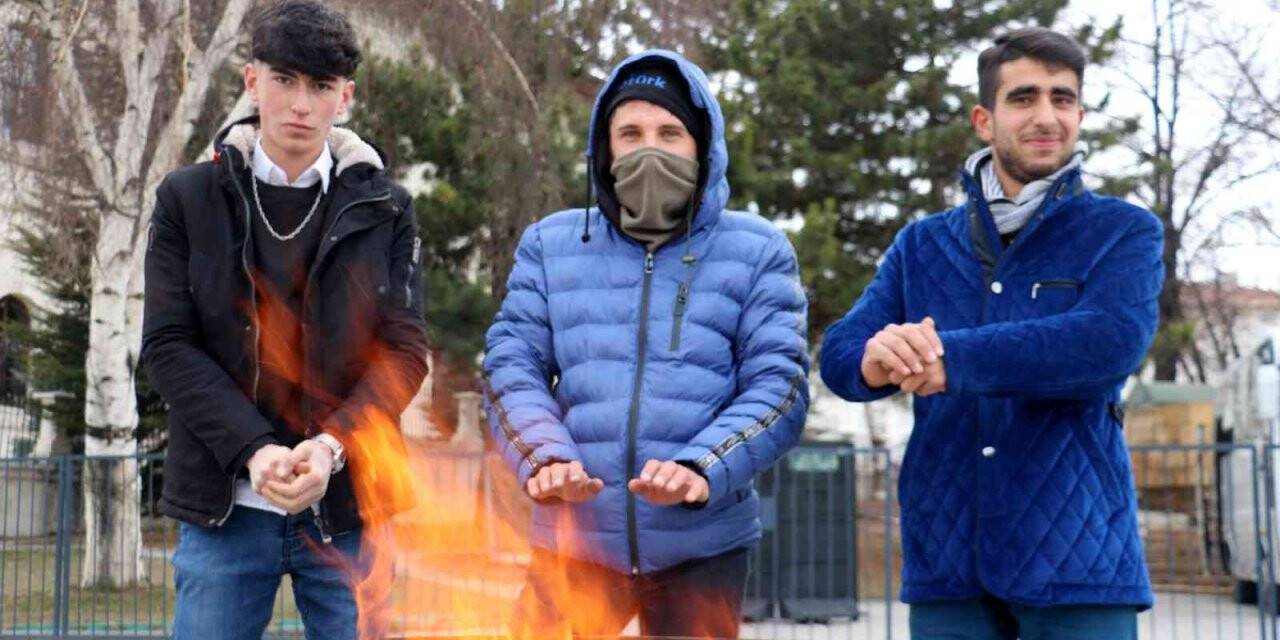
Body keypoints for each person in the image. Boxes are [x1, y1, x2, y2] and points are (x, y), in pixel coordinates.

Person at [820, 27, 1162, 640]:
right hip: (947, 568)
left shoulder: (1123, 231)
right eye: (1024, 97)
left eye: (1063, 99)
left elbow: (1107, 344)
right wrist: (875, 357)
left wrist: (950, 356)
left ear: (1080, 115)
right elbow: (841, 353)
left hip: (1078, 565)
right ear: (985, 119)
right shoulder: (921, 245)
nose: (1046, 116)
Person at [482, 49, 809, 639]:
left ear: (702, 146)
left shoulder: (759, 250)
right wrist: (545, 457)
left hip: (702, 552)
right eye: (629, 133)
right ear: (604, 150)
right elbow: (511, 366)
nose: (649, 149)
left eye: (670, 132)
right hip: (573, 547)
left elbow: (780, 387)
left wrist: (702, 466)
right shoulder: (550, 245)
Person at [140, 2, 427, 638]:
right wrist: (254, 451)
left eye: (320, 87)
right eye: (285, 80)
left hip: (351, 510)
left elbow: (404, 354)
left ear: (344, 97)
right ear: (252, 82)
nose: (301, 104)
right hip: (226, 510)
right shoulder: (188, 198)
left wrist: (331, 447)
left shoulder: (387, 208)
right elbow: (166, 345)